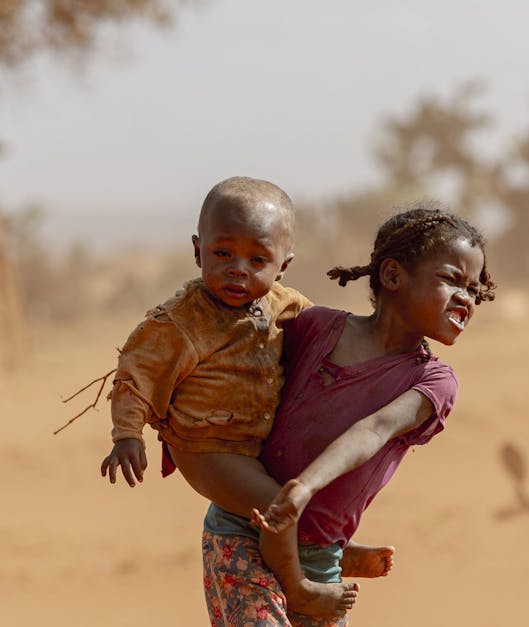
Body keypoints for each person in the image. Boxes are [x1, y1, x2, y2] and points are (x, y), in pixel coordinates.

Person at [204, 202, 496, 625]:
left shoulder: (433, 383)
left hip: (318, 554)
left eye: (474, 289)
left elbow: (375, 429)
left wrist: (303, 488)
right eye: (452, 280)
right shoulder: (314, 327)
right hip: (243, 527)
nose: (465, 298)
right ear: (393, 276)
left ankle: (342, 550)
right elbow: (240, 363)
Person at [96, 176, 356, 617]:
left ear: (283, 265)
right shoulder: (180, 321)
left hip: (257, 446)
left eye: (258, 259)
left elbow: (330, 333)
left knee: (304, 492)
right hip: (207, 447)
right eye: (222, 253)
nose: (238, 268)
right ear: (198, 250)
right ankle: (302, 587)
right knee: (282, 505)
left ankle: (329, 548)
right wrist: (128, 436)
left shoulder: (285, 304)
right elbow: (135, 374)